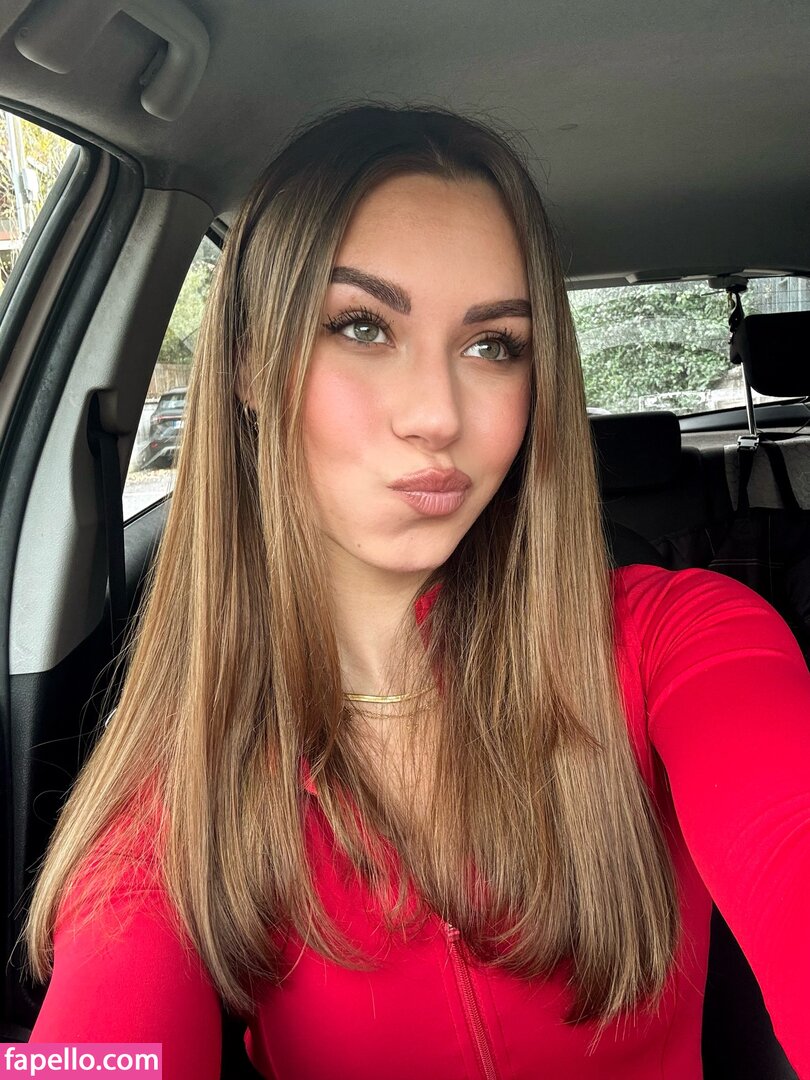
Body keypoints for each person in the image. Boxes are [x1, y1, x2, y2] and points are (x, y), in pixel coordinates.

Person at [24, 104, 810, 1079]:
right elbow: (95, 1045)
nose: (438, 414)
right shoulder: (182, 785)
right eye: (362, 326)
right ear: (250, 367)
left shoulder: (678, 638)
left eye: (494, 345)